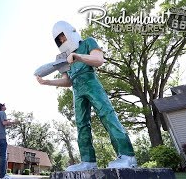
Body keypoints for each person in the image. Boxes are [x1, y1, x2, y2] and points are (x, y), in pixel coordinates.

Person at [36, 21, 137, 171]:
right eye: (59, 40)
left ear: (70, 32)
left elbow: (99, 60)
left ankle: (127, 156)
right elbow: (67, 81)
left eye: (63, 36)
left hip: (91, 84)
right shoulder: (62, 58)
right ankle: (87, 161)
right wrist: (46, 82)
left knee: (107, 114)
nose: (62, 41)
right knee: (81, 124)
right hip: (77, 89)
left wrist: (78, 56)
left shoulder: (88, 43)